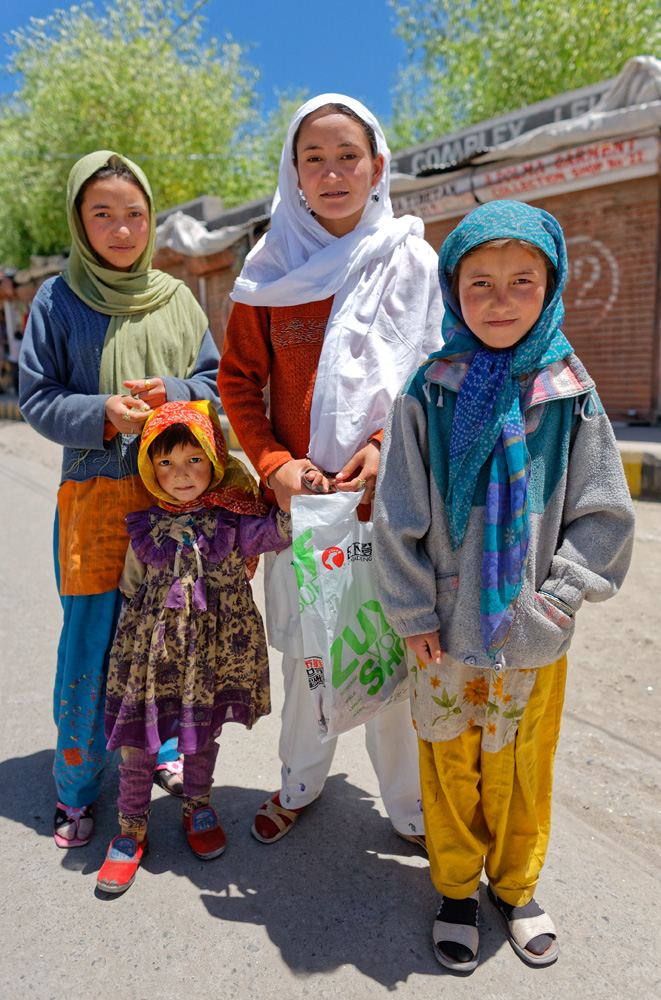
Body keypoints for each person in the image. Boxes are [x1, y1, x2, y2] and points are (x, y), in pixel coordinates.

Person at [372, 199, 635, 971]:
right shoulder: (431, 389)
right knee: (449, 763)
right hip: (441, 630)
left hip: (532, 631)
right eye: (479, 282)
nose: (499, 298)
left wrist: (556, 598)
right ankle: (455, 887)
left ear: (550, 285)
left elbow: (603, 513)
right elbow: (398, 514)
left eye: (522, 280)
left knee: (522, 766)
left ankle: (515, 887)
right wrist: (413, 609)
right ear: (453, 291)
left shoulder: (568, 389)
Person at [218, 94, 445, 848]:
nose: (331, 172)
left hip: (392, 501)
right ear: (293, 174)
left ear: (377, 166)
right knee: (310, 658)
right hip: (301, 510)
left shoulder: (413, 261)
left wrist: (383, 447)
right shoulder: (269, 267)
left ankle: (407, 807)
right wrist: (276, 465)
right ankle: (300, 784)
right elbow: (238, 382)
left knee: (392, 658)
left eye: (347, 155)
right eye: (311, 158)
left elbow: (431, 375)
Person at [19, 150, 221, 849]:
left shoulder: (177, 299)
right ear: (79, 220)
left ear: (152, 220)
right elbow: (36, 398)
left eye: (134, 214)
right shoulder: (57, 299)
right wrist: (102, 411)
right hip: (94, 500)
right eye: (102, 213)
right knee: (91, 640)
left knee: (165, 636)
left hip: (171, 500)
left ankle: (159, 753)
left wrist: (183, 393)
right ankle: (76, 785)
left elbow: (215, 384)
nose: (121, 228)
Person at [95, 400, 291, 893]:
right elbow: (130, 588)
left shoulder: (233, 521)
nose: (180, 474)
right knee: (139, 746)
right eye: (165, 462)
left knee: (201, 736)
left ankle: (198, 805)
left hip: (210, 662)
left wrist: (304, 498)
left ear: (214, 458)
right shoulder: (144, 527)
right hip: (152, 660)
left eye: (193, 459)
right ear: (149, 467)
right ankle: (130, 829)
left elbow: (278, 532)